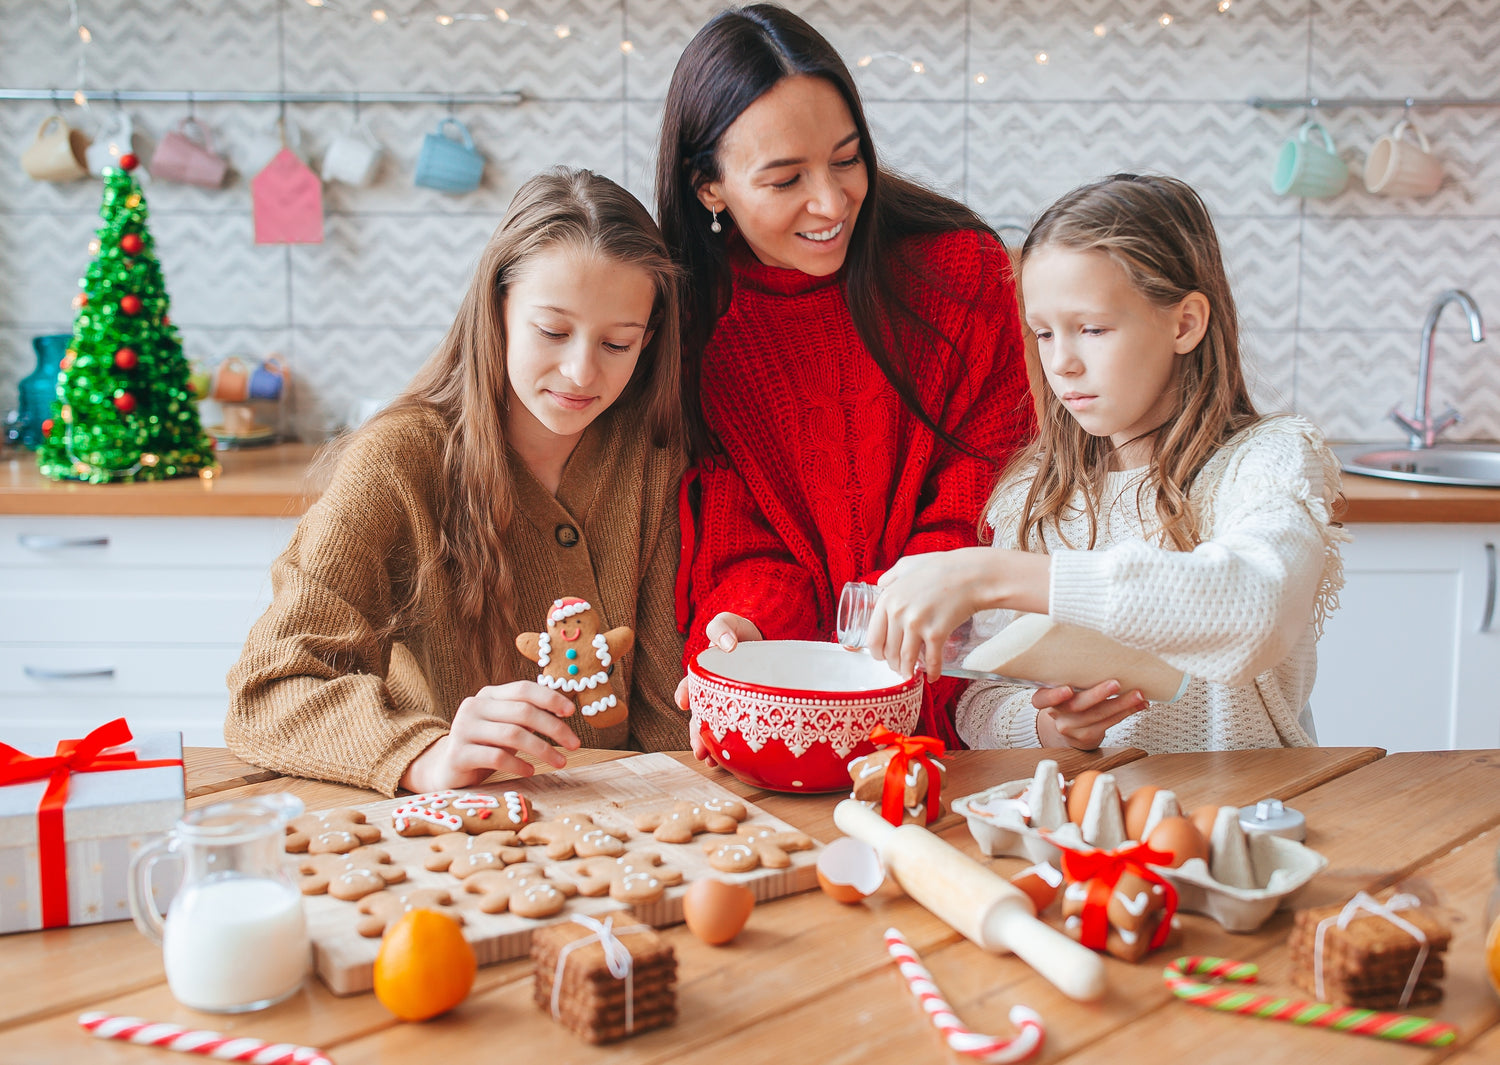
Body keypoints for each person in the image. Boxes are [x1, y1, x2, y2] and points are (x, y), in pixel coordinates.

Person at [225, 168, 688, 796]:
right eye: (553, 331)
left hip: (629, 827)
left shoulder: (656, 457)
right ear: (495, 308)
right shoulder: (397, 462)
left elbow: (671, 723)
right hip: (452, 832)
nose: (581, 371)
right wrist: (426, 755)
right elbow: (267, 689)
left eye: (617, 343)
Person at [863, 173, 1348, 753]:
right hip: (1094, 824)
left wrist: (991, 575)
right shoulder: (1032, 492)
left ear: (1185, 323)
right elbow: (981, 699)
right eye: (1043, 333)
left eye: (1091, 329)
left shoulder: (1267, 461)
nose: (1060, 363)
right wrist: (1048, 727)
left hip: (1255, 816)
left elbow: (1255, 610)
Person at [657, 4, 1035, 749]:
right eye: (785, 177)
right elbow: (743, 539)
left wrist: (898, 627)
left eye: (847, 157)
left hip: (967, 710)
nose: (831, 203)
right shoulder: (691, 325)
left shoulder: (962, 276)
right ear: (709, 186)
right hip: (797, 714)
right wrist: (744, 625)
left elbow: (984, 489)